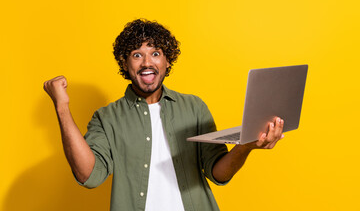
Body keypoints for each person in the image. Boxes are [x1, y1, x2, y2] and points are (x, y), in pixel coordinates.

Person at [43, 19, 284, 211]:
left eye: (155, 53)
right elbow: (89, 176)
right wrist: (62, 108)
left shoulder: (194, 107)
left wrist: (246, 146)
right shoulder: (107, 117)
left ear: (168, 61)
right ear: (125, 64)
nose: (147, 63)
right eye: (137, 55)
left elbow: (216, 173)